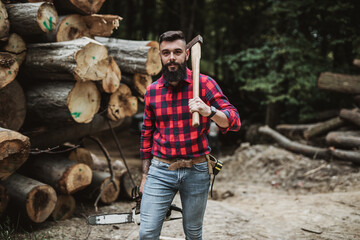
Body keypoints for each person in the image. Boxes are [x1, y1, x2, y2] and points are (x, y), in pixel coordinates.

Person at [139, 30, 241, 240]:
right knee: (147, 232)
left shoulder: (204, 84)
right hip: (160, 170)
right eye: (166, 53)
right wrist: (144, 175)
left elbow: (234, 120)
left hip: (197, 169)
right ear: (160, 55)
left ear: (187, 54)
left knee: (193, 233)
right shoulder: (152, 91)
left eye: (177, 52)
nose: (171, 58)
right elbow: (146, 135)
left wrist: (209, 111)